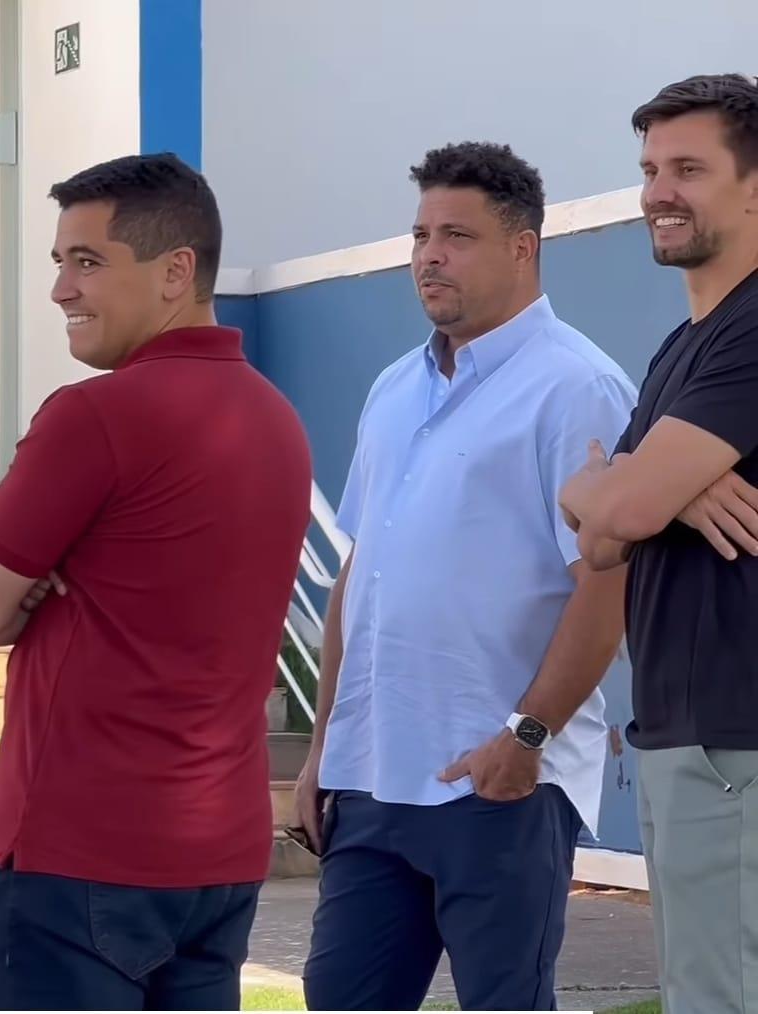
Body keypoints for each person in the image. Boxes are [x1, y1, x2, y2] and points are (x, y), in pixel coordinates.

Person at [0, 152, 312, 1012]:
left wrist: (24, 573)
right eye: (59, 263)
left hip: (75, 858)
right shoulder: (277, 420)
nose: (60, 290)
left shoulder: (95, 415)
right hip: (215, 859)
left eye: (87, 262)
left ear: (176, 272)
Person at [294, 142, 637, 1011]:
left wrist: (524, 739)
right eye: (419, 234)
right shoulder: (391, 390)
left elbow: (607, 588)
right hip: (371, 782)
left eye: (457, 234)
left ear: (524, 247)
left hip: (498, 786)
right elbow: (355, 578)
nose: (429, 255)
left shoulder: (576, 387)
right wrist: (324, 752)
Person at [560, 73, 758, 1014]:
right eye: (648, 169)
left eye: (688, 167)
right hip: (691, 735)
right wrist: (643, 492)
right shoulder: (684, 346)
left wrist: (636, 491)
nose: (657, 192)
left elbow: (619, 512)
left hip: (737, 740)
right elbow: (599, 532)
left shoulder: (753, 328)